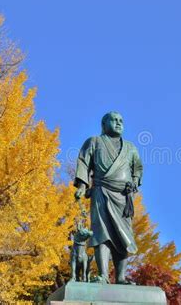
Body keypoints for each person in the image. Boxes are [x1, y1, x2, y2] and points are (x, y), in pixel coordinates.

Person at [74, 111, 143, 284]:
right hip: (101, 192)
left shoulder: (131, 147)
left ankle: (120, 277)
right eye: (114, 120)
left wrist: (134, 182)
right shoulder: (94, 142)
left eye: (121, 120)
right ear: (104, 125)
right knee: (101, 234)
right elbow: (84, 162)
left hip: (123, 196)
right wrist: (83, 186)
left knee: (123, 236)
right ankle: (103, 275)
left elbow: (138, 169)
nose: (119, 123)